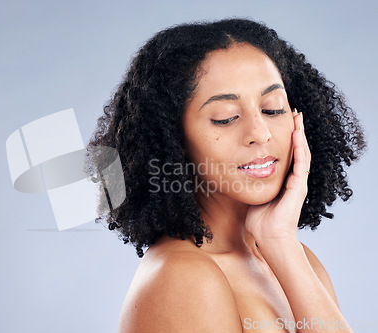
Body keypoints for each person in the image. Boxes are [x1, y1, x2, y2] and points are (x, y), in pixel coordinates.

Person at [85, 18, 366, 332]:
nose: (259, 133)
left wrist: (280, 242)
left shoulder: (295, 259)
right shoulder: (185, 277)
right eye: (225, 118)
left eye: (273, 109)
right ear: (172, 140)